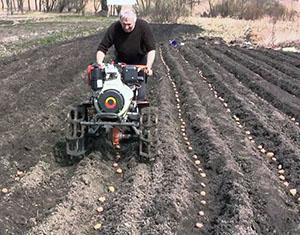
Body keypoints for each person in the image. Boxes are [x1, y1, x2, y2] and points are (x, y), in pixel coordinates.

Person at [96, 9, 156, 100]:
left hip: (139, 64)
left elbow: (151, 49)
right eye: (124, 24)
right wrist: (100, 62)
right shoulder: (115, 28)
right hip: (121, 64)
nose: (126, 27)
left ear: (134, 21)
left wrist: (148, 66)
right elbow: (102, 47)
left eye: (129, 25)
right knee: (116, 91)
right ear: (120, 21)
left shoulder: (143, 27)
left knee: (139, 96)